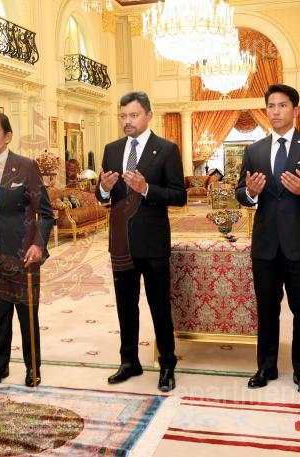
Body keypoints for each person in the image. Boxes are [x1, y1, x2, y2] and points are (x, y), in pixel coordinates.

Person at [235, 84, 300, 397]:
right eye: (271, 105)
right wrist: (250, 192)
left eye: (282, 105)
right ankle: (266, 367)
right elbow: (241, 192)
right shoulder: (254, 150)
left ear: (295, 110)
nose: (275, 111)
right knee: (267, 310)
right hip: (265, 245)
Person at [96, 91, 186, 393]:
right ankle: (129, 361)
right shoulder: (111, 149)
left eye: (133, 115)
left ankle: (167, 364)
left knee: (159, 307)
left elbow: (179, 196)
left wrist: (147, 189)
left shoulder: (167, 149)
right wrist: (104, 189)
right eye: (123, 116)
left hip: (153, 242)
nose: (127, 121)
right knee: (126, 306)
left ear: (148, 115)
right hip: (120, 244)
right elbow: (103, 195)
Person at [0, 112, 54, 387]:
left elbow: (46, 213)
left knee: (27, 315)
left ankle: (32, 367)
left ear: (8, 137)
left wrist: (38, 245)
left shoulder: (26, 167)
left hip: (24, 254)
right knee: (0, 314)